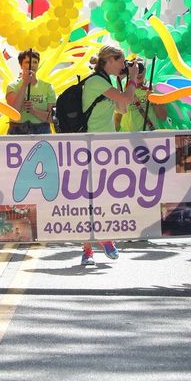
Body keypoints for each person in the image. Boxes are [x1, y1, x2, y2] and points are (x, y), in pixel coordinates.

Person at [77, 46, 141, 266]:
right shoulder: (96, 81)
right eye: (122, 61)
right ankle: (89, 248)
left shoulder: (107, 82)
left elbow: (123, 108)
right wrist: (132, 79)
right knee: (88, 199)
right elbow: (126, 98)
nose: (124, 66)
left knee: (103, 196)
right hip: (90, 146)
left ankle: (104, 238)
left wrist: (125, 82)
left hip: (105, 146)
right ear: (110, 61)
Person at [5, 49, 55, 135]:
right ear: (21, 65)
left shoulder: (48, 87)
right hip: (17, 130)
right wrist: (24, 84)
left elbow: (52, 118)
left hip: (42, 131)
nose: (32, 65)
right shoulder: (13, 86)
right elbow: (14, 112)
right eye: (27, 62)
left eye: (35, 62)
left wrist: (34, 111)